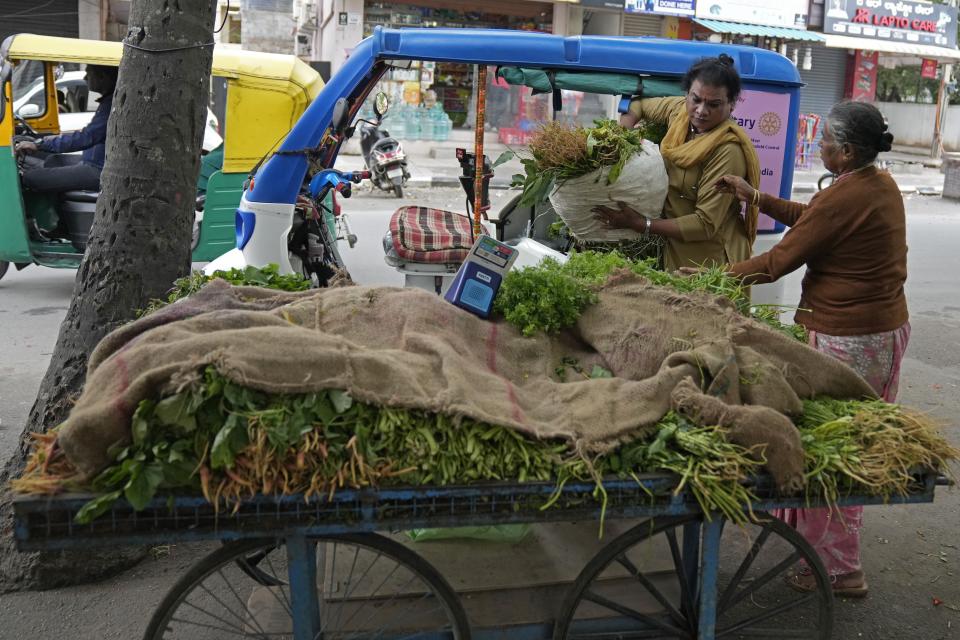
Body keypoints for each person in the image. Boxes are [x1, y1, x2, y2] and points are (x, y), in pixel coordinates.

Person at [711, 101, 907, 598]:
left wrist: (711, 279)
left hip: (855, 337)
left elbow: (778, 261)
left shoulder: (850, 195)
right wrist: (754, 196)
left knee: (841, 450)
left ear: (844, 152)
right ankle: (820, 548)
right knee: (839, 439)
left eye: (823, 142)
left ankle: (841, 570)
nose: (817, 147)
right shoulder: (872, 183)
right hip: (875, 331)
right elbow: (812, 219)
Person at [592, 54, 761, 272]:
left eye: (714, 104)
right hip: (674, 247)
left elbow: (705, 224)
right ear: (686, 94)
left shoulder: (727, 151)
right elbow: (638, 105)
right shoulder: (679, 113)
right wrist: (620, 140)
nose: (701, 110)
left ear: (731, 104)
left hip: (711, 260)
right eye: (696, 99)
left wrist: (640, 224)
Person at [14, 65, 118, 194]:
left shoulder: (110, 106)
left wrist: (40, 144)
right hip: (92, 161)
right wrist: (45, 142)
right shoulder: (108, 102)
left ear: (102, 77)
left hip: (98, 170)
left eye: (88, 74)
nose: (85, 78)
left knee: (31, 178)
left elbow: (86, 137)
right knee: (53, 160)